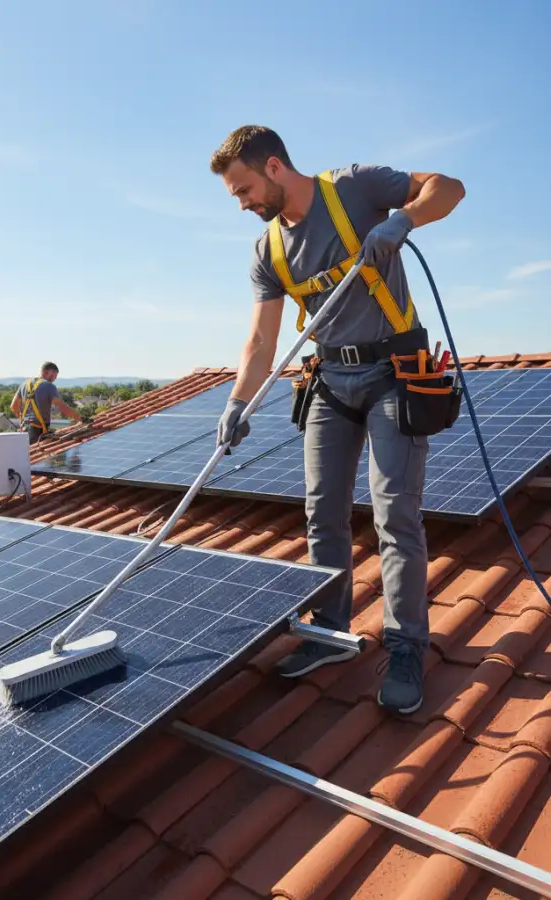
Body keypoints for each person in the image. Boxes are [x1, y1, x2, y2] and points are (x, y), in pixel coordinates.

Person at [211, 125, 465, 715]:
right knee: (322, 510)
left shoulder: (352, 189)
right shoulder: (268, 251)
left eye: (244, 189)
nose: (243, 204)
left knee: (394, 513)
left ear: (274, 168)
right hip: (330, 381)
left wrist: (404, 220)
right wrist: (236, 402)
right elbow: (261, 340)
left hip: (391, 374)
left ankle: (405, 646)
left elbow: (448, 188)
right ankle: (329, 630)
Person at [11, 362, 82, 444]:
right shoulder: (49, 386)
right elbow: (63, 408)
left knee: (27, 453)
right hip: (38, 432)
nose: (54, 379)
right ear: (46, 372)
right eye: (53, 376)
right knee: (35, 454)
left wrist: (23, 419)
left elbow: (13, 406)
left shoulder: (24, 384)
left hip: (24, 429)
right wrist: (81, 418)